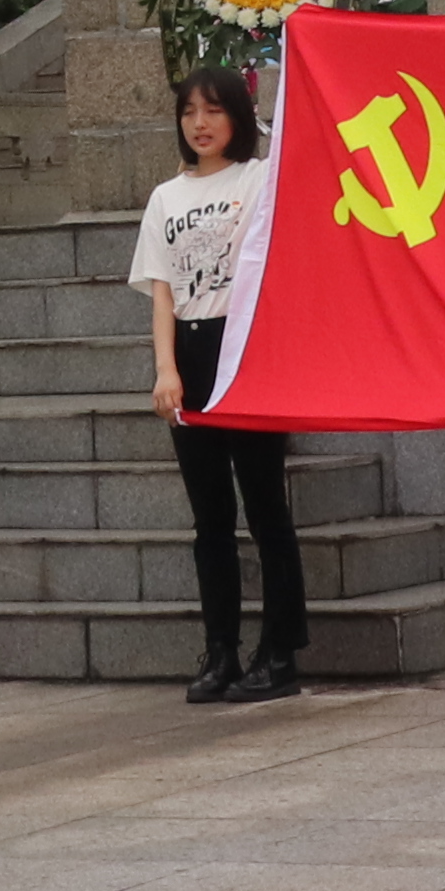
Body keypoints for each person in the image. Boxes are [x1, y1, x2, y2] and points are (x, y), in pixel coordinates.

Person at [133, 64, 304, 709]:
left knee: (265, 509)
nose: (200, 124)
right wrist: (166, 368)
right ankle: (222, 650)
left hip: (247, 347)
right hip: (192, 352)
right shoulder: (164, 198)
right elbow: (162, 291)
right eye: (188, 112)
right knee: (210, 519)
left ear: (237, 115)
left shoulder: (258, 179)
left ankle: (281, 651)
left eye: (213, 110)